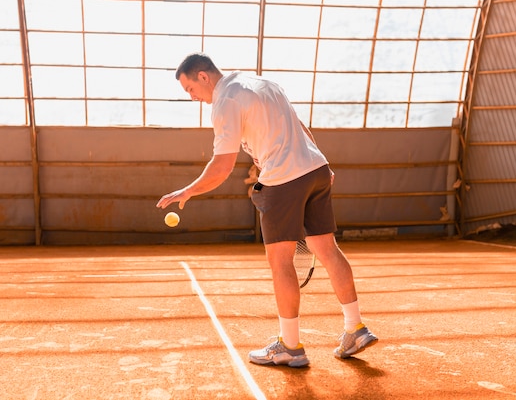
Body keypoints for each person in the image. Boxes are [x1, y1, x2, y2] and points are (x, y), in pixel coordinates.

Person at [156, 52, 377, 367]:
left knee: (280, 261)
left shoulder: (225, 102)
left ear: (203, 76)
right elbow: (298, 126)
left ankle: (290, 346)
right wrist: (320, 162)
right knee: (326, 248)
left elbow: (222, 166)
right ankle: (355, 327)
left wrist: (188, 190)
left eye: (190, 89)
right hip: (316, 169)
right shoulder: (263, 82)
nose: (192, 97)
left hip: (284, 180)